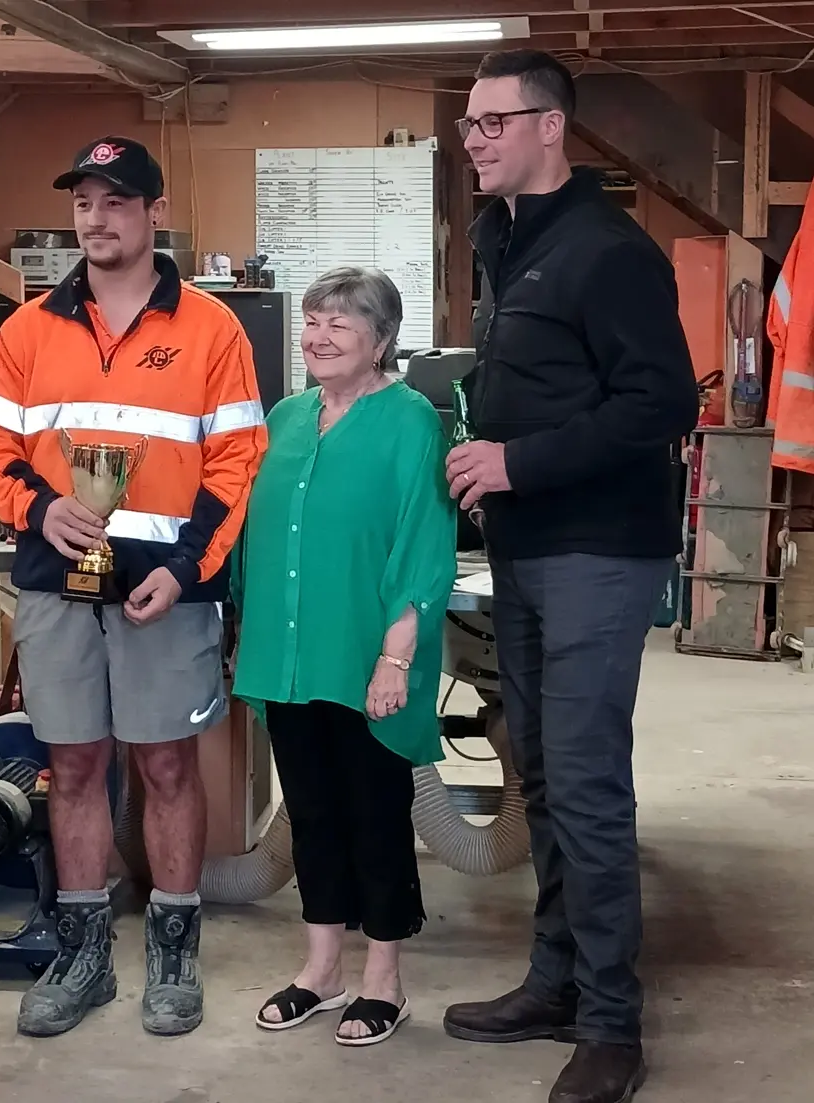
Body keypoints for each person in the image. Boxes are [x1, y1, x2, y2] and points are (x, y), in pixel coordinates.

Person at [0, 135, 267, 1040]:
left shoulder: (212, 329)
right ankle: (83, 952)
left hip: (167, 584)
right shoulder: (29, 330)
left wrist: (187, 567)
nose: (96, 219)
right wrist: (35, 509)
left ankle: (174, 951)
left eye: (117, 201)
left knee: (165, 763)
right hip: (58, 582)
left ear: (155, 214)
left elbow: (239, 457)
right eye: (85, 202)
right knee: (76, 764)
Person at [441, 51, 699, 1103]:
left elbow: (662, 403)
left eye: (494, 122)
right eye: (469, 125)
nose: (475, 141)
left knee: (586, 781)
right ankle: (554, 980)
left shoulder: (606, 251)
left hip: (599, 548)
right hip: (528, 545)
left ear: (551, 128)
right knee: (541, 770)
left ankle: (611, 1023)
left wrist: (517, 461)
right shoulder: (513, 243)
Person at [230, 266, 457, 1047]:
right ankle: (321, 970)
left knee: (375, 816)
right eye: (314, 321)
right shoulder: (287, 416)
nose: (319, 336)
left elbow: (425, 545)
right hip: (289, 650)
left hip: (366, 657)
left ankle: (383, 980)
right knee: (314, 814)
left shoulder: (412, 422)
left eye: (341, 324)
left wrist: (395, 659)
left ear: (382, 340)